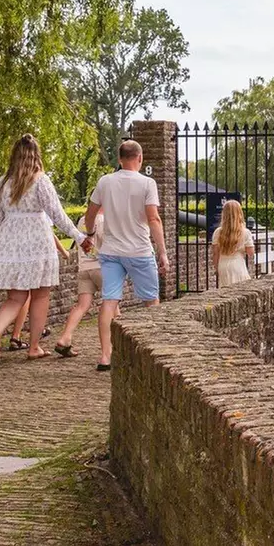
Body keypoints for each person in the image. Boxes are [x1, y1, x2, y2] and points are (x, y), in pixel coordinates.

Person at [0, 134, 86, 362]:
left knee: (15, 298)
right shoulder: (40, 181)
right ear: (36, 155)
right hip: (37, 241)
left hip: (10, 241)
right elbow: (57, 214)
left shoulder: (3, 183)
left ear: (14, 156)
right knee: (40, 295)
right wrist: (79, 236)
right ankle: (33, 347)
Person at [82, 139, 168, 372]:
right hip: (139, 251)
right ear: (140, 158)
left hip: (111, 251)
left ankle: (105, 356)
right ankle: (156, 351)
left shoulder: (105, 182)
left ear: (119, 159)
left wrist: (89, 234)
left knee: (109, 301)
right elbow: (153, 219)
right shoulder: (147, 183)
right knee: (151, 301)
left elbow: (90, 215)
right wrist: (163, 252)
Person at [52, 216, 99, 358]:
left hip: (84, 268)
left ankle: (65, 338)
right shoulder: (105, 218)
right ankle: (119, 344)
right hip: (101, 266)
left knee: (81, 306)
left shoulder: (83, 220)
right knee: (112, 305)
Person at [212, 199, 255, 288]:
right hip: (238, 264)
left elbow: (216, 253)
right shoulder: (245, 232)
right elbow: (250, 253)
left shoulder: (217, 232)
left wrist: (217, 268)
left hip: (222, 265)